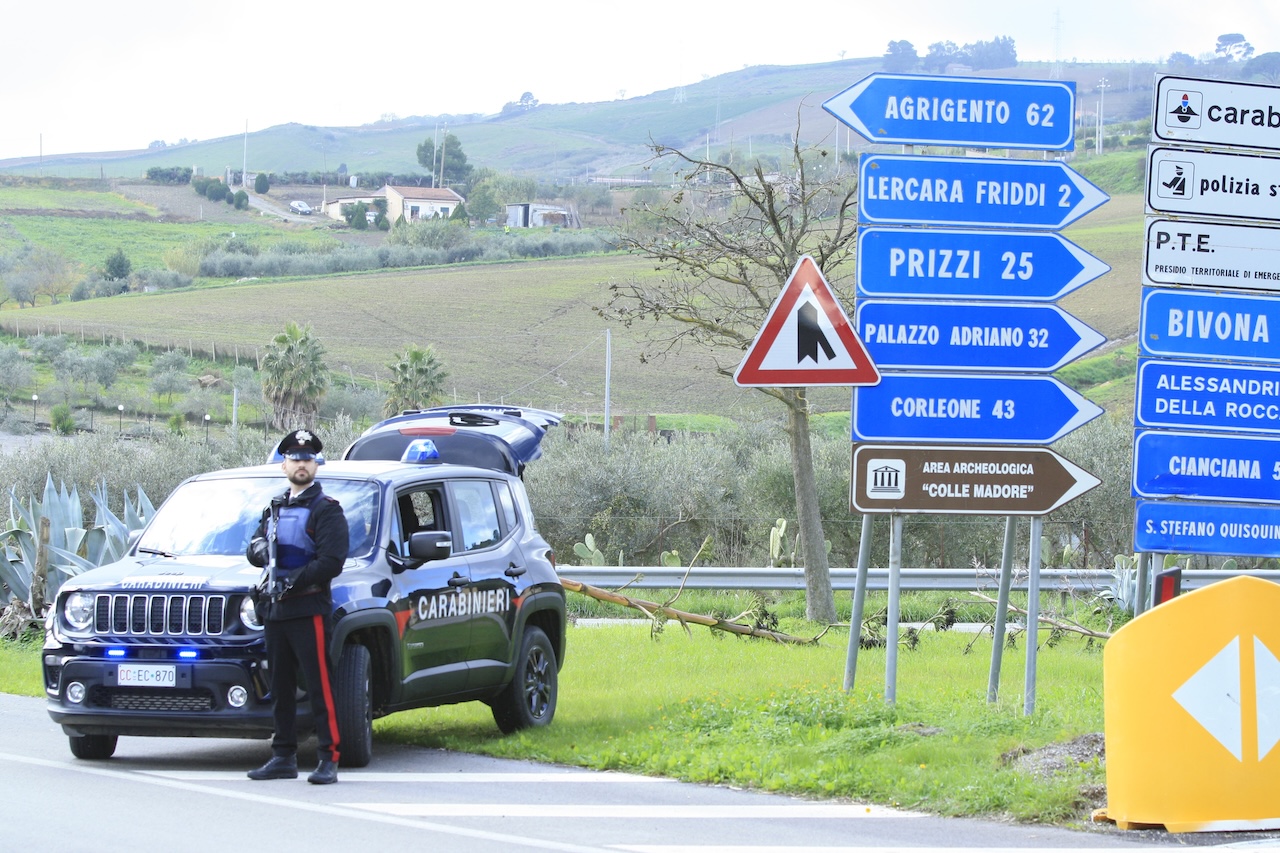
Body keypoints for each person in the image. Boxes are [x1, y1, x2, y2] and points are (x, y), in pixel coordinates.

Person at [245, 428, 349, 785]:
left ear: (315, 464)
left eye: (307, 459)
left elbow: (332, 561)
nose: (301, 464)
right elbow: (255, 545)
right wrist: (260, 552)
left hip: (308, 609)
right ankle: (283, 756)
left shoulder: (327, 510)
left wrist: (296, 580)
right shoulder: (274, 507)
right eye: (294, 458)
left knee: (320, 686)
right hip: (275, 610)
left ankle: (328, 757)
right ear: (283, 464)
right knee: (280, 686)